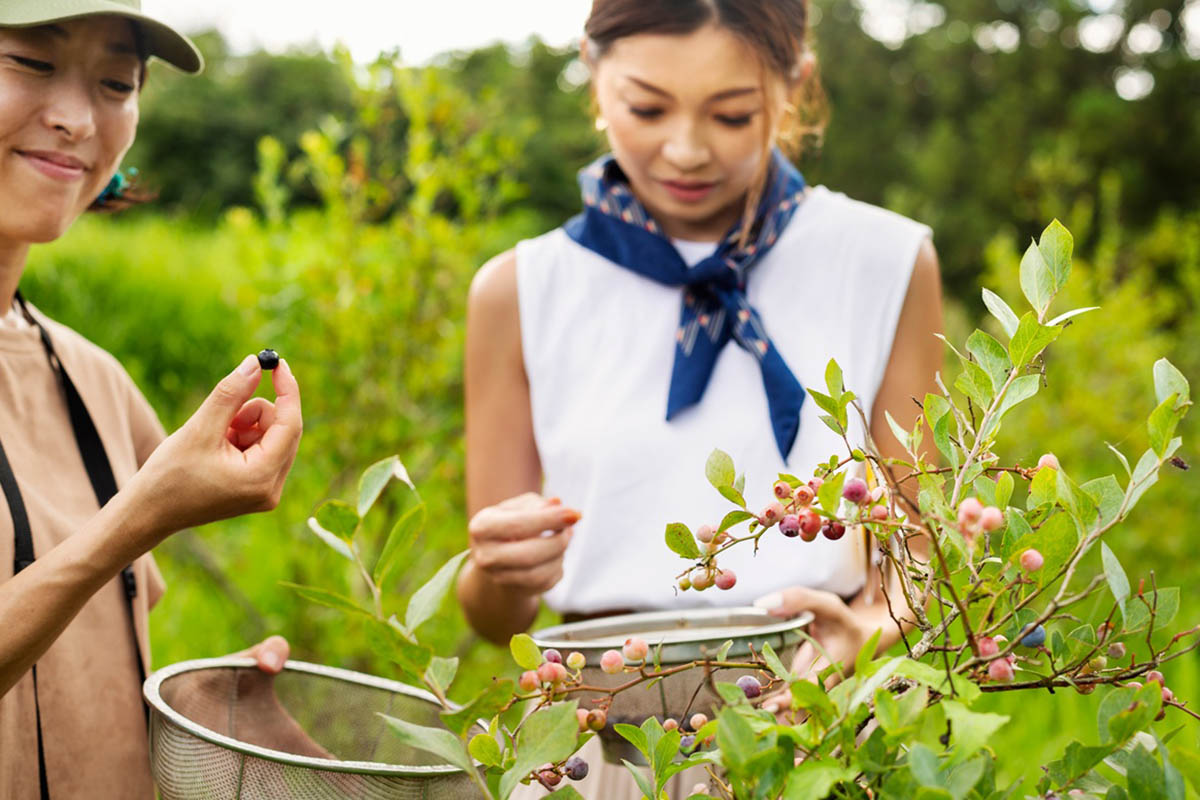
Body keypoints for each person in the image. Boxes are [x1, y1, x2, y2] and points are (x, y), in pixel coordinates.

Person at [458, 0, 943, 769]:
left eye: (731, 115)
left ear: (795, 86)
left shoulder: (884, 262)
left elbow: (919, 552)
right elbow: (495, 616)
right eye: (646, 107)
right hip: (603, 758)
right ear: (592, 68)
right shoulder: (519, 290)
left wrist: (870, 634)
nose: (685, 150)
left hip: (823, 740)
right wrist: (496, 567)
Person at [0, 3, 303, 797]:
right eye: (29, 62)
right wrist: (137, 517)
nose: (75, 118)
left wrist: (203, 702)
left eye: (115, 82)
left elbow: (83, 654)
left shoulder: (93, 378)